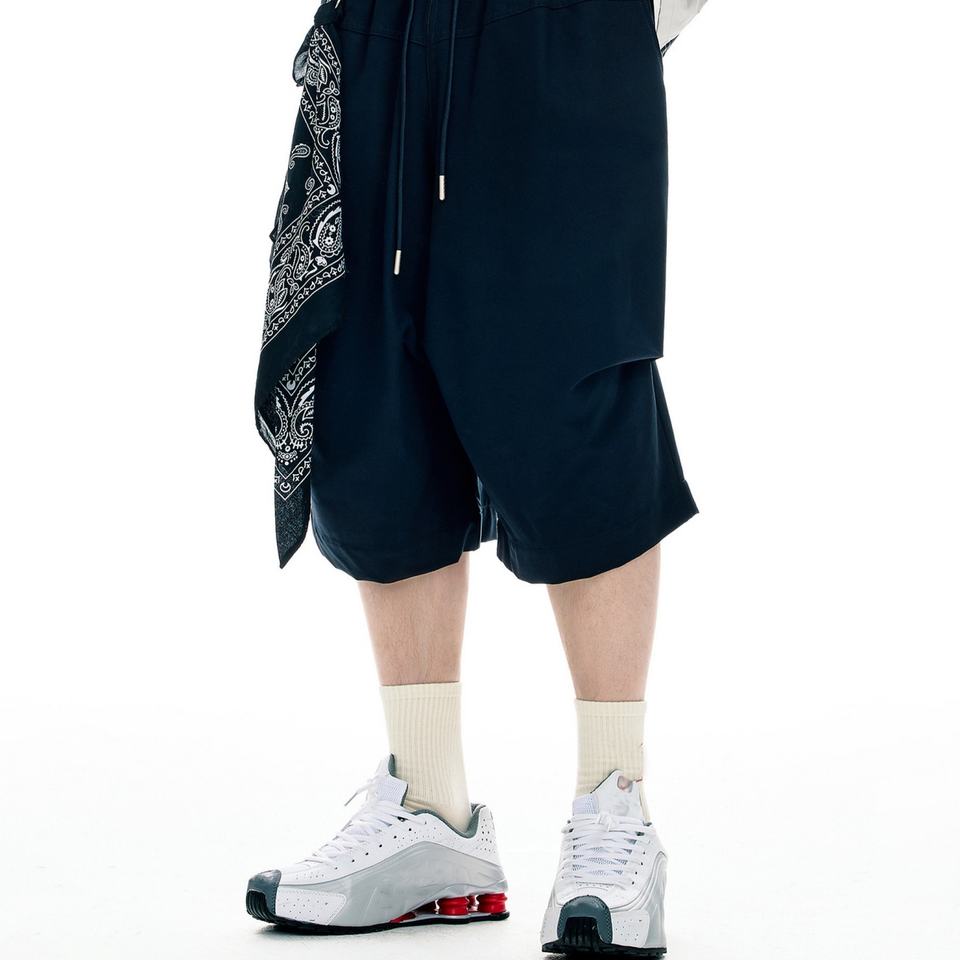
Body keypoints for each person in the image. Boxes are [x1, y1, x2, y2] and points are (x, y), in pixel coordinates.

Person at [249, 0, 708, 955]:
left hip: (562, 35)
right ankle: (429, 810)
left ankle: (614, 805)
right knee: (371, 406)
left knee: (574, 396)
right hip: (378, 34)